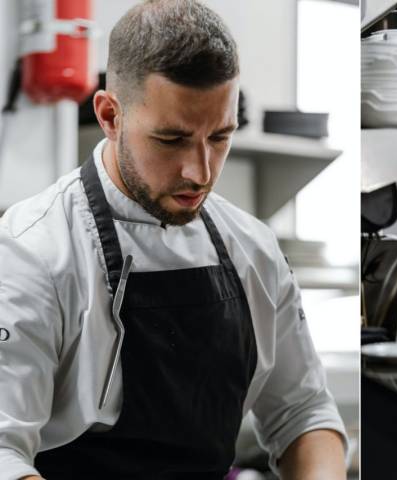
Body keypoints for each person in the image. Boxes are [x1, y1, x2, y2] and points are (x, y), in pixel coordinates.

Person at [0, 1, 346, 478]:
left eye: (220, 137)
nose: (200, 172)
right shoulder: (31, 252)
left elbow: (304, 412)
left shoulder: (253, 249)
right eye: (171, 139)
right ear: (109, 116)